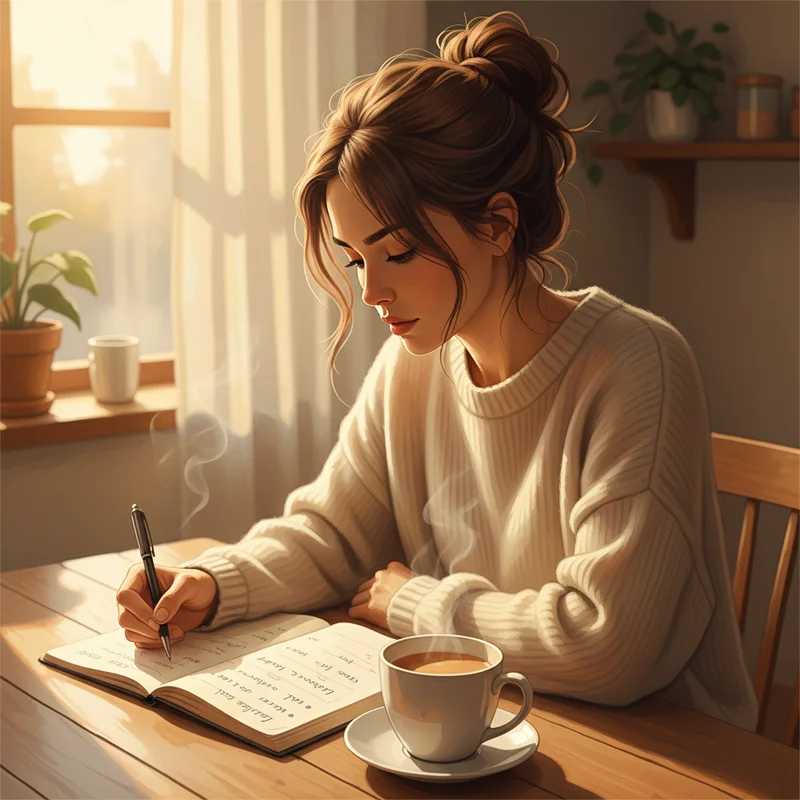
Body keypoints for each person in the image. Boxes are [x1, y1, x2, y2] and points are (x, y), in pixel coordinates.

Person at [116, 10, 759, 731]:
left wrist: (419, 605)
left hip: (671, 756)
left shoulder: (636, 365)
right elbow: (333, 533)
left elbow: (607, 642)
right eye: (356, 259)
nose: (370, 292)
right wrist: (213, 583)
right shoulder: (412, 369)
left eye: (397, 252)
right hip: (492, 726)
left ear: (498, 224)